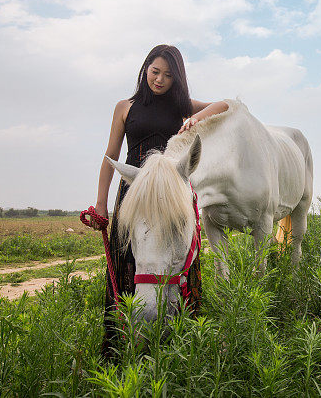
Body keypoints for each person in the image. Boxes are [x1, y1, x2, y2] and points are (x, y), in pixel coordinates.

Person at [93, 44, 228, 357]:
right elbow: (110, 155)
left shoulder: (181, 105)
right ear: (145, 70)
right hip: (134, 193)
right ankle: (123, 344)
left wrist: (196, 119)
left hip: (171, 195)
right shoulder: (124, 107)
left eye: (168, 75)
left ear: (176, 78)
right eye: (155, 72)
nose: (160, 80)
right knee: (126, 263)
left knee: (176, 258)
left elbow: (224, 105)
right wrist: (101, 203)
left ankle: (179, 342)